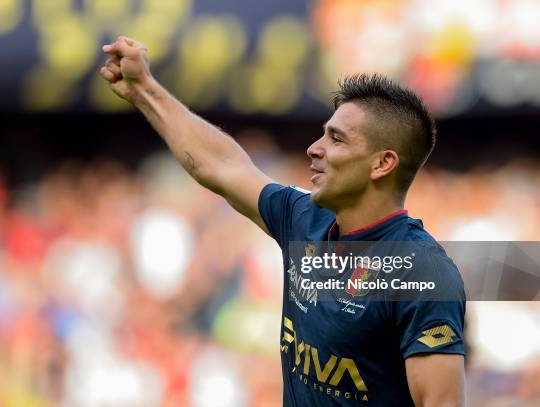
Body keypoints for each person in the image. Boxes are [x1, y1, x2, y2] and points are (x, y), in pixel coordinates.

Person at [99, 36, 466, 407]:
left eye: (336, 139)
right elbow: (221, 166)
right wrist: (144, 89)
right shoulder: (302, 218)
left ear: (382, 163)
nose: (314, 148)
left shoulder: (423, 273)